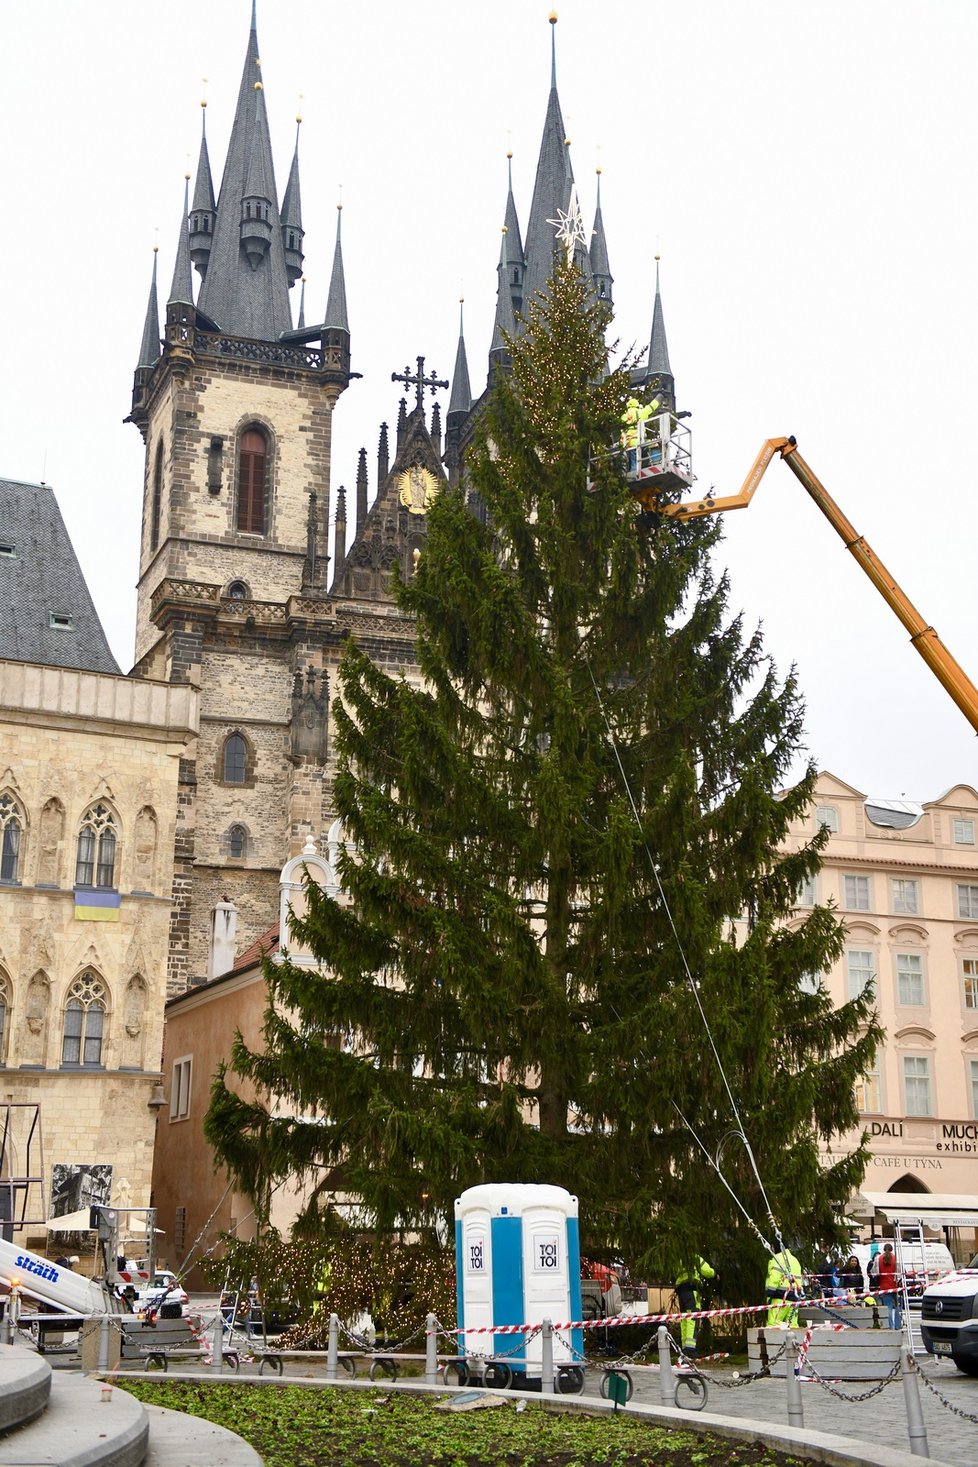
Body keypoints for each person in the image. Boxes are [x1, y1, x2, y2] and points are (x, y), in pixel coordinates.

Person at [675, 1257, 716, 1357]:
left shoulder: (678, 1259)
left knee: (685, 1318)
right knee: (693, 1318)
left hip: (681, 1291)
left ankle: (685, 1348)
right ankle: (690, 1349)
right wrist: (715, 1274)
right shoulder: (694, 1257)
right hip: (692, 1290)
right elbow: (707, 1271)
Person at [765, 1244, 803, 1326]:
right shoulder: (795, 1260)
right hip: (794, 1297)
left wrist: (769, 1293)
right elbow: (799, 1279)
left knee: (773, 1325)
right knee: (793, 1325)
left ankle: (774, 1339)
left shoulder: (777, 1259)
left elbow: (775, 1278)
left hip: (780, 1297)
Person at [876, 1243, 903, 1329]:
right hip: (894, 1286)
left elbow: (874, 1272)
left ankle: (890, 1326)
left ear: (883, 1249)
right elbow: (900, 1273)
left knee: (888, 1309)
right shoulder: (896, 1258)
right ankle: (898, 1326)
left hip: (884, 1286)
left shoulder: (878, 1258)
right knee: (897, 1307)